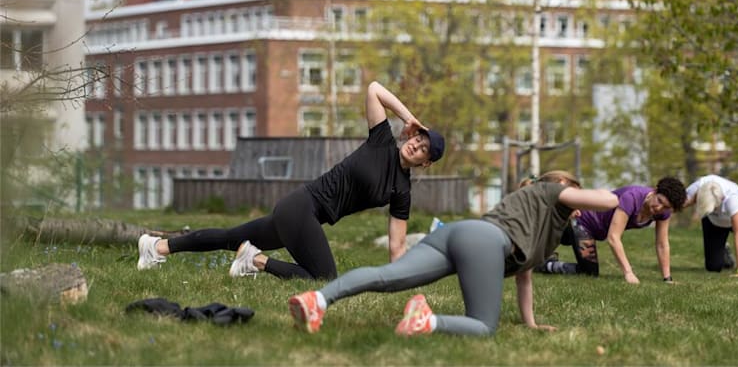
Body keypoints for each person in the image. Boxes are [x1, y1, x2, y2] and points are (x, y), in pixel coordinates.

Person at [136, 81, 445, 280]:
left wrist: (400, 281)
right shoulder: (381, 140)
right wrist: (408, 118)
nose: (417, 144)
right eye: (420, 138)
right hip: (302, 207)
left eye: (424, 149)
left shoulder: (402, 191)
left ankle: (156, 248)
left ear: (426, 163)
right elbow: (375, 89)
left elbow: (397, 245)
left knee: (229, 236)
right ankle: (254, 261)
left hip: (306, 217)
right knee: (324, 279)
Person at [287, 171, 619, 337]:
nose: (578, 209)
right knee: (484, 326)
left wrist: (530, 324)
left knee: (388, 277)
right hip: (485, 241)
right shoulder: (548, 192)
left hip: (456, 234)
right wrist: (592, 192)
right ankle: (425, 321)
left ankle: (318, 300)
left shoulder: (540, 225)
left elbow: (524, 279)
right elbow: (610, 201)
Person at [537, 177, 687, 284]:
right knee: (589, 272)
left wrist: (667, 279)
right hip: (582, 222)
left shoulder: (663, 213)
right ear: (654, 191)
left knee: (560, 243)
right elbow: (614, 237)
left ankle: (542, 249)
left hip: (595, 232)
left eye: (666, 207)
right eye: (659, 201)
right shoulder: (632, 198)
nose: (659, 208)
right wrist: (628, 273)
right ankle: (545, 265)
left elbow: (662, 244)